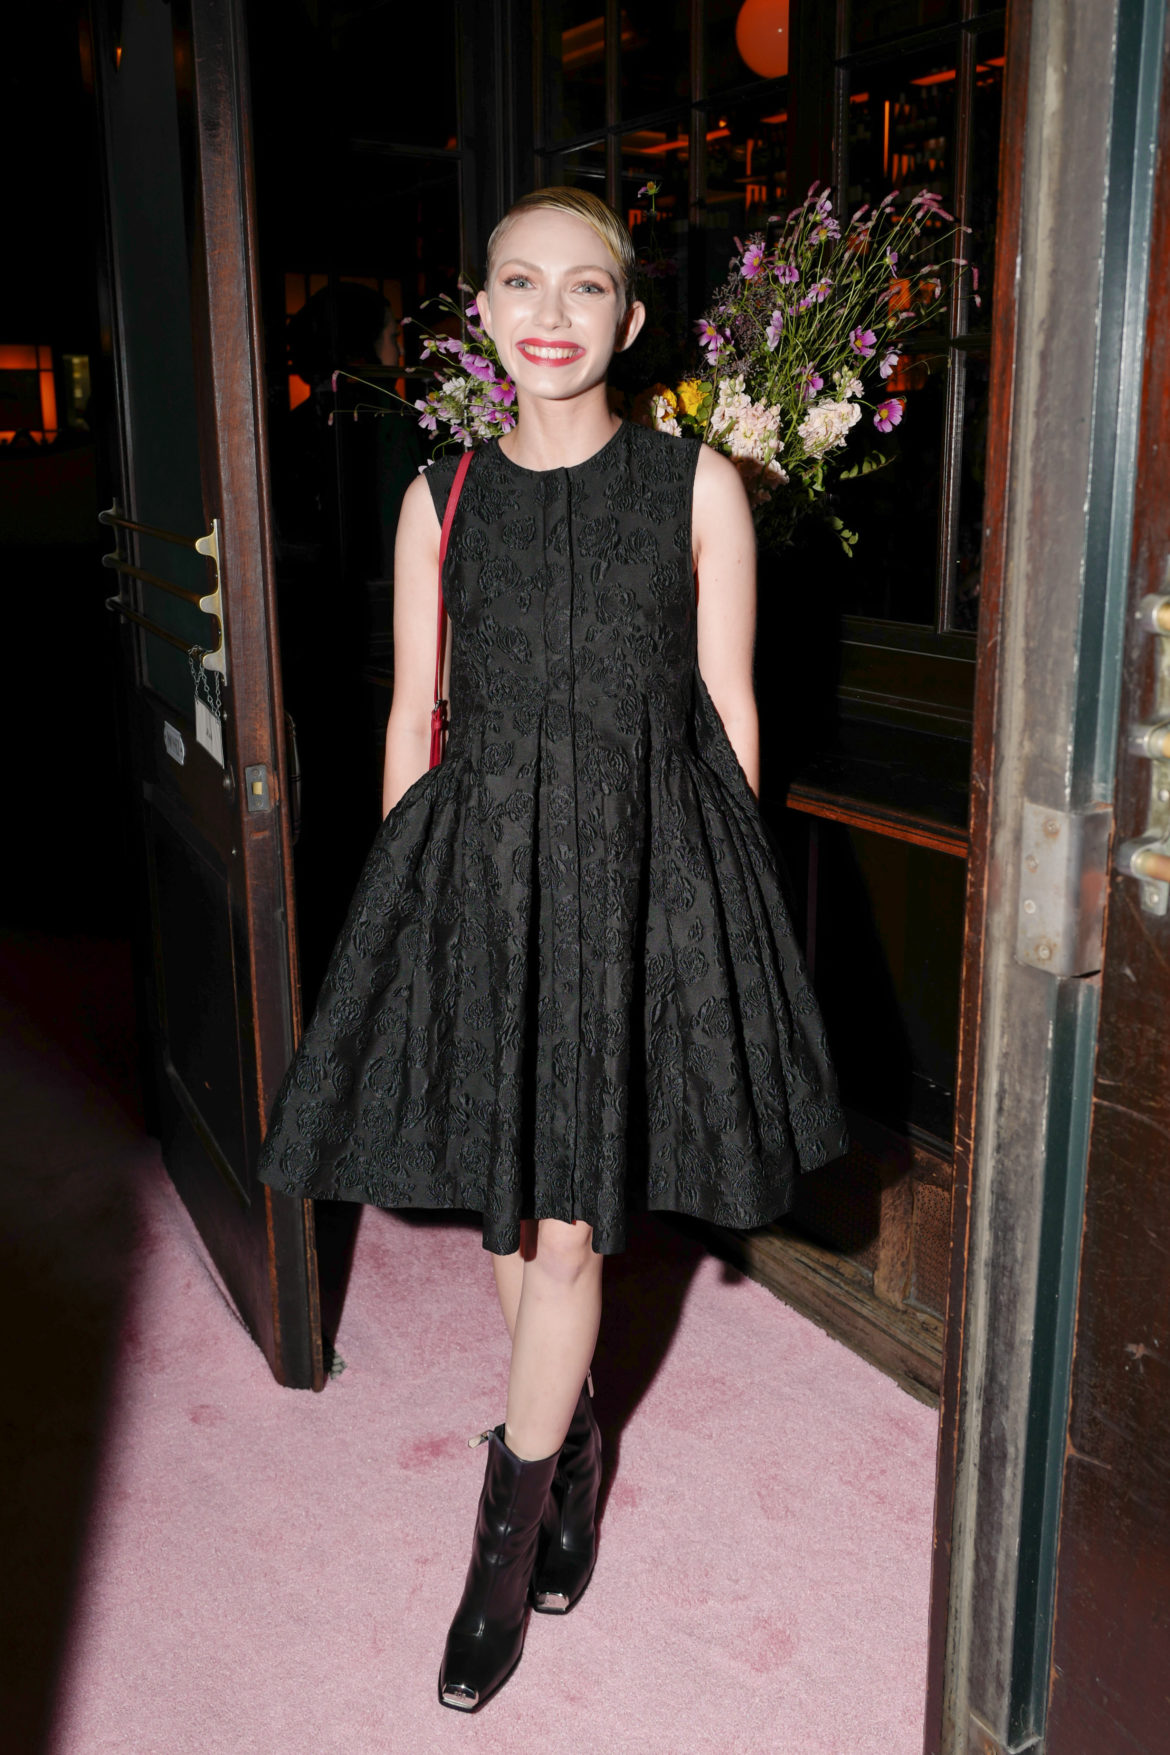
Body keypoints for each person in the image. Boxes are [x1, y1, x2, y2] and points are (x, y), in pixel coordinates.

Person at [256, 187, 848, 1713]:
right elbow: (411, 714)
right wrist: (412, 911)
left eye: (585, 287)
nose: (550, 311)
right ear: (483, 312)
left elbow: (728, 710)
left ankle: (500, 1553)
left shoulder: (695, 485)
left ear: (629, 321)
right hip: (484, 876)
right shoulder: (438, 496)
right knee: (511, 1226)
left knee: (572, 1234)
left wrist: (718, 915)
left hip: (641, 872)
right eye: (520, 282)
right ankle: (575, 1447)